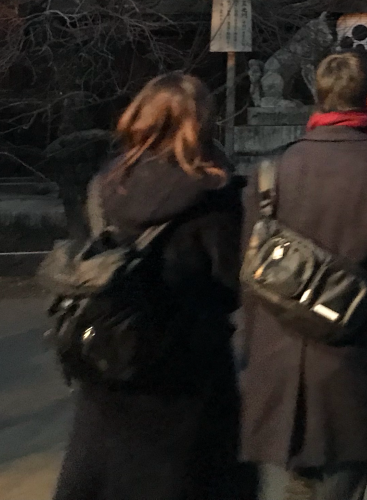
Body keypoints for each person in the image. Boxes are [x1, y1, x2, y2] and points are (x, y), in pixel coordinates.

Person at [238, 49, 367, 500]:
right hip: (350, 344)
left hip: (279, 346)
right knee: (344, 477)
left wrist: (250, 351)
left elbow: (248, 273)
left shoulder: (269, 171)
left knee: (300, 477)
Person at [53, 73, 255, 500]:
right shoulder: (214, 193)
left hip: (112, 358)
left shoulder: (106, 185)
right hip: (188, 372)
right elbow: (229, 287)